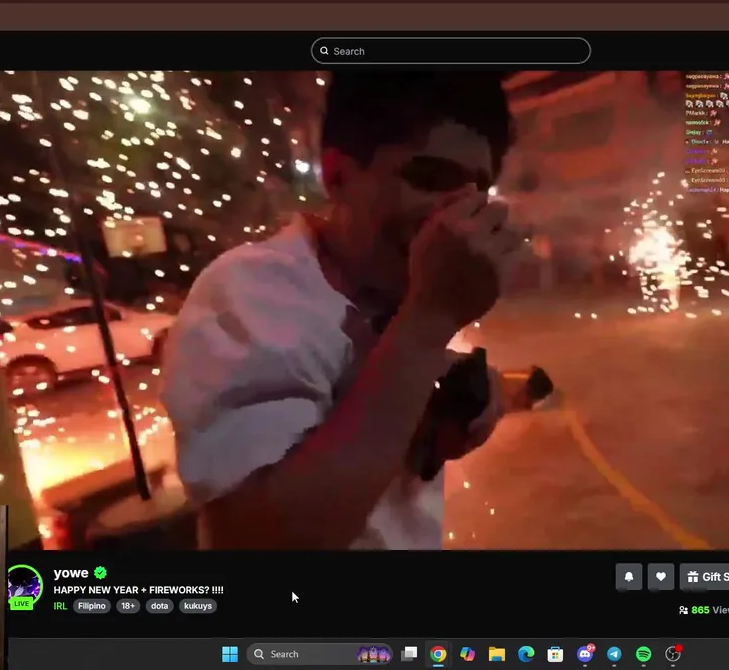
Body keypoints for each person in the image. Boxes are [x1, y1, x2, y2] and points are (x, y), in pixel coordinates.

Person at [163, 72, 524, 550]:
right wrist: (429, 322)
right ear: (337, 176)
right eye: (430, 178)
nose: (456, 221)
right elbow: (255, 539)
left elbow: (372, 397)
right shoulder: (251, 291)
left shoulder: (397, 289)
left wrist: (451, 393)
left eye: (476, 193)